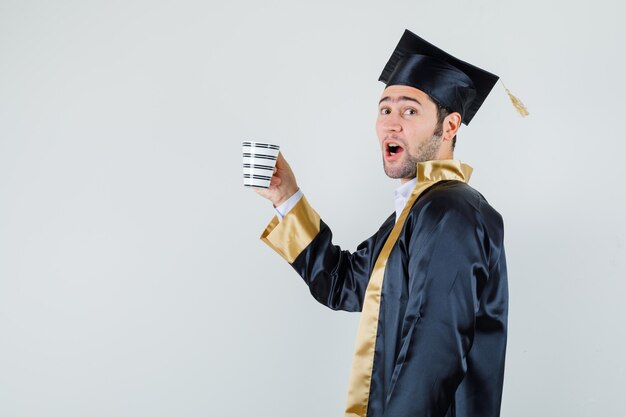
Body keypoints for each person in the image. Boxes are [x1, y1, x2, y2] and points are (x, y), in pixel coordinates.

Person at [254, 29, 508, 417]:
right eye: (385, 109)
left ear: (450, 126)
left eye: (409, 110)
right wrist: (286, 196)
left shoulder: (450, 212)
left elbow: (432, 354)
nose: (391, 124)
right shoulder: (417, 212)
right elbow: (344, 284)